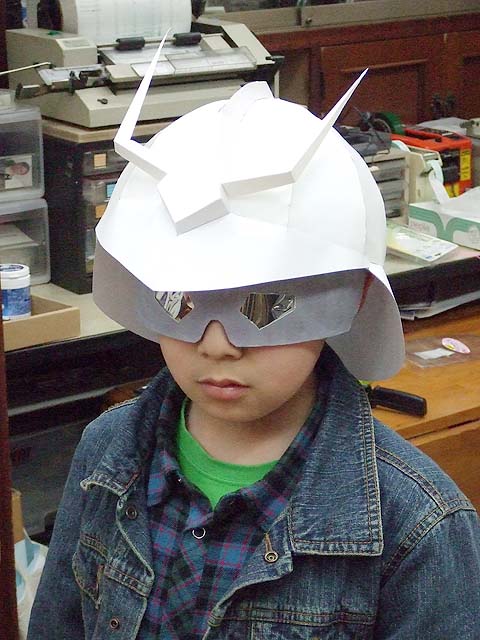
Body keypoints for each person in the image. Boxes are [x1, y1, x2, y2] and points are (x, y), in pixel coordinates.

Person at [28, 49, 480, 639]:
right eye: (180, 300)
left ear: (355, 296)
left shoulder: (419, 525)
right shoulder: (105, 451)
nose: (217, 346)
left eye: (266, 306)